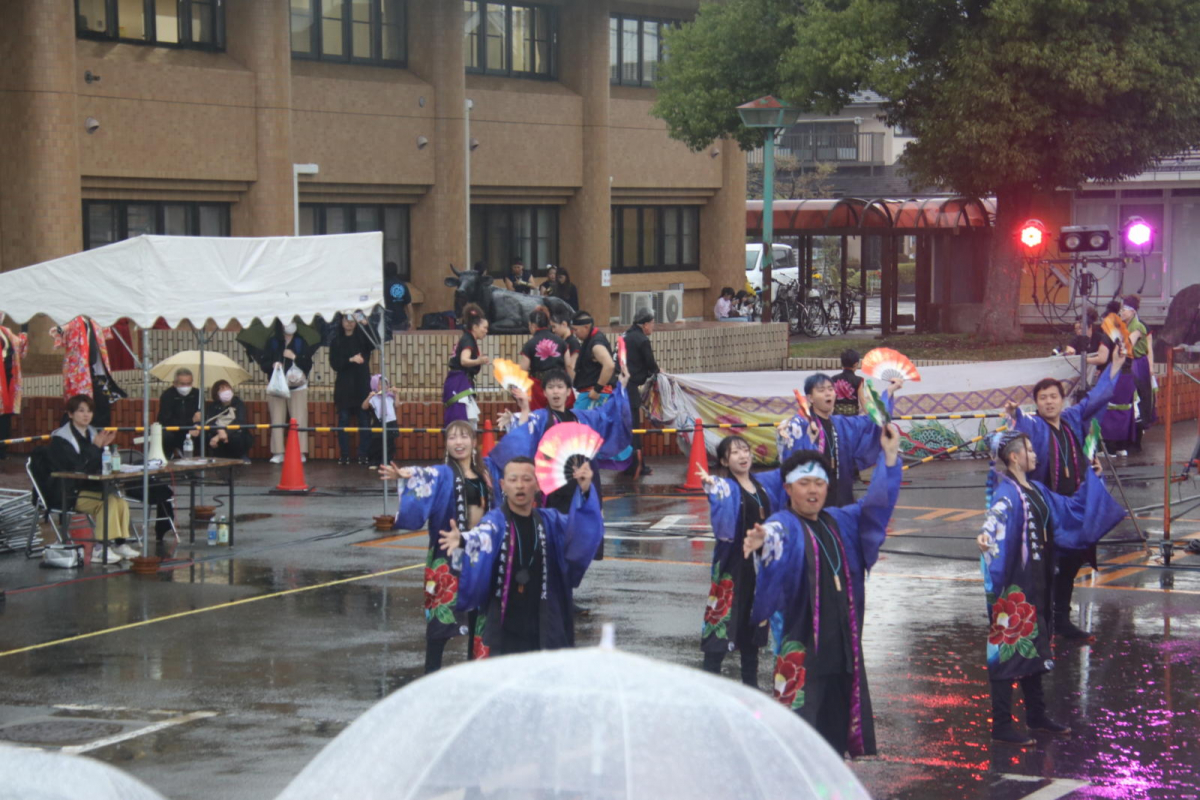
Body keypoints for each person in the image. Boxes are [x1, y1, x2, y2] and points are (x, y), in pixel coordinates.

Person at [744, 425, 903, 757]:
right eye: (804, 483)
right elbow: (775, 533)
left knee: (835, 727)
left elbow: (876, 505)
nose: (813, 490)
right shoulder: (785, 522)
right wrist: (763, 541)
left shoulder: (839, 520)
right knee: (800, 730)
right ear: (788, 488)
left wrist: (888, 457)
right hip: (804, 646)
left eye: (819, 483)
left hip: (841, 643)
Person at [975, 430, 1125, 745]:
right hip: (1013, 586)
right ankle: (1001, 725)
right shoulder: (1008, 493)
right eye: (1029, 449)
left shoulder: (1037, 489)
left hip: (1036, 582)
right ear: (1014, 457)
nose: (1035, 453)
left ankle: (1036, 715)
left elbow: (1069, 509)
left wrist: (1091, 483)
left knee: (1033, 647)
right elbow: (995, 516)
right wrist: (986, 535)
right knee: (1006, 651)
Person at [1006, 344, 1125, 641]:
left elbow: (1098, 398)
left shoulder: (1072, 418)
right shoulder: (1033, 425)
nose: (1049, 402)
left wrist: (1115, 367)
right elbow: (1019, 427)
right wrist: (1014, 417)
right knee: (1046, 567)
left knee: (1070, 564)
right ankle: (1040, 623)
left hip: (1074, 505)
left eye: (1053, 396)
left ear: (1062, 399)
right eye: (1043, 398)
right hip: (1046, 509)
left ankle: (1062, 620)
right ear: (1036, 403)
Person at [438, 456, 604, 655]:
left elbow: (579, 531)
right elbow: (482, 535)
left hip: (542, 615)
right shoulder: (495, 521)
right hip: (506, 617)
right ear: (502, 485)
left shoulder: (550, 521)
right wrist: (463, 540)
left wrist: (585, 492)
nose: (520, 486)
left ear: (537, 484)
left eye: (526, 479)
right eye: (513, 479)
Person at [380, 420, 505, 672]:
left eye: (464, 437)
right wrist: (407, 475)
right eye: (452, 438)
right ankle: (431, 672)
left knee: (480, 617)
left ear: (474, 442)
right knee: (441, 617)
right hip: (449, 552)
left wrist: (521, 414)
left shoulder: (488, 472)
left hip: (480, 551)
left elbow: (513, 460)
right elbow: (426, 475)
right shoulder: (444, 473)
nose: (458, 442)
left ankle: (476, 672)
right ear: (446, 444)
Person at [698, 436, 787, 687]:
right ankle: (710, 681)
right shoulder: (727, 486)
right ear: (725, 460)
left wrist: (785, 439)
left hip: (759, 568)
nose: (742, 455)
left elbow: (787, 471)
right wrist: (712, 485)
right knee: (722, 621)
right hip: (733, 566)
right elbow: (719, 490)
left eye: (745, 450)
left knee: (754, 625)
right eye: (734, 452)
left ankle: (751, 685)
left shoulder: (763, 484)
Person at [777, 373, 901, 507]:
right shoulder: (799, 425)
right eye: (821, 390)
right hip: (811, 497)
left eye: (830, 389)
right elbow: (790, 462)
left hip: (841, 494)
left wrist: (888, 392)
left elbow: (873, 421)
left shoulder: (841, 424)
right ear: (810, 398)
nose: (828, 393)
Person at [47, 394, 139, 564]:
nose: (86, 415)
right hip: (68, 491)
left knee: (120, 502)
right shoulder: (61, 439)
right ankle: (100, 548)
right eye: (81, 411)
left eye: (89, 411)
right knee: (108, 503)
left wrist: (106, 448)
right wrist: (97, 446)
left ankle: (119, 543)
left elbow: (99, 461)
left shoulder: (92, 433)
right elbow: (77, 468)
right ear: (70, 414)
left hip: (90, 487)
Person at [53, 316, 125, 429]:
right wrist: (61, 329)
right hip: (79, 373)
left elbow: (105, 329)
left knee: (101, 403)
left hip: (94, 371)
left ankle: (98, 436)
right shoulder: (76, 320)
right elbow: (68, 327)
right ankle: (67, 436)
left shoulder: (94, 322)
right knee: (78, 405)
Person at [261, 320, 314, 464]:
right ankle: (278, 452)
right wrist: (272, 365)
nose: (290, 324)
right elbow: (263, 363)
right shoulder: (273, 342)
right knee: (277, 419)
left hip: (297, 387)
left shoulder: (301, 342)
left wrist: (294, 357)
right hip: (277, 386)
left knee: (299, 419)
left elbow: (308, 364)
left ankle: (300, 451)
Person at [330, 313, 375, 466]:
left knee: (364, 420)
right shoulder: (336, 341)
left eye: (352, 320)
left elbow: (373, 344)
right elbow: (334, 364)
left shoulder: (362, 338)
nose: (349, 323)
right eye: (346, 320)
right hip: (344, 387)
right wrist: (351, 360)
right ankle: (344, 455)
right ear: (341, 322)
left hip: (362, 385)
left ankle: (363, 454)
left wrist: (366, 325)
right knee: (343, 420)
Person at [623, 308, 659, 476]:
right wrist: (659, 372)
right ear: (645, 325)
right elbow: (651, 364)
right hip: (630, 389)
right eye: (652, 323)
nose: (653, 327)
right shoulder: (641, 340)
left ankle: (626, 464)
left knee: (625, 428)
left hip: (619, 387)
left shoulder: (625, 336)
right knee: (634, 429)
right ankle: (637, 465)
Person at [443, 303, 490, 427]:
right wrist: (479, 360)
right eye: (484, 328)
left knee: (467, 420)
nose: (486, 331)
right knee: (463, 420)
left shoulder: (468, 339)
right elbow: (464, 360)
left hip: (460, 382)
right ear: (475, 327)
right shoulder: (468, 340)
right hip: (459, 384)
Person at [1120, 295, 1155, 452]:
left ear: (1133, 311)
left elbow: (1129, 344)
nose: (1122, 312)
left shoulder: (1137, 326)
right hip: (1129, 363)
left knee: (1137, 399)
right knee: (1129, 399)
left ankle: (1136, 441)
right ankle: (1129, 437)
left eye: (1124, 309)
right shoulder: (1125, 325)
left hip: (1137, 364)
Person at [519, 306, 568, 411]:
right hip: (559, 382)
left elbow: (523, 370)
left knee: (540, 415)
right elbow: (569, 365)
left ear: (532, 326)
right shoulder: (561, 342)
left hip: (539, 387)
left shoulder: (530, 344)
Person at [570, 312, 616, 412]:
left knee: (579, 424)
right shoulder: (590, 340)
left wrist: (597, 390)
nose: (574, 333)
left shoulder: (596, 344)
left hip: (594, 395)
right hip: (590, 394)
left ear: (586, 327)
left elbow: (609, 365)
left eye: (575, 329)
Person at [202, 380, 253, 462]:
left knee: (237, 436)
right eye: (222, 388)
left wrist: (221, 434)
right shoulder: (213, 406)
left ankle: (241, 456)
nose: (226, 390)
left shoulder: (238, 404)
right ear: (216, 393)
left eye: (228, 388)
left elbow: (240, 421)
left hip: (234, 433)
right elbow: (210, 422)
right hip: (217, 432)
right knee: (207, 435)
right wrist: (219, 430)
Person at [156, 368, 202, 456]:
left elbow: (202, 416)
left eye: (189, 383)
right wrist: (190, 422)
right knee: (165, 436)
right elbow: (165, 421)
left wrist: (197, 426)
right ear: (175, 383)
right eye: (182, 384)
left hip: (192, 431)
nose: (186, 387)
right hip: (174, 431)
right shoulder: (167, 396)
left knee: (205, 435)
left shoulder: (198, 394)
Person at [0, 321, 28, 460]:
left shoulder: (6, 331)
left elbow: (19, 347)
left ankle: (2, 451)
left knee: (5, 417)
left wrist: (24, 330)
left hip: (7, 379)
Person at [362, 374, 399, 466]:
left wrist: (396, 394)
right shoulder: (374, 398)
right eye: (380, 384)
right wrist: (369, 397)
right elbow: (364, 406)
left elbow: (397, 405)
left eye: (385, 384)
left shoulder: (390, 396)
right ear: (374, 386)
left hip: (391, 422)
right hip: (380, 422)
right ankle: (375, 461)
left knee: (390, 444)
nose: (383, 386)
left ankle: (387, 462)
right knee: (377, 443)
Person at [550, 309, 580, 388]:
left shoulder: (573, 342)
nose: (553, 330)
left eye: (554, 327)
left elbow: (571, 366)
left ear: (564, 324)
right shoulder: (562, 342)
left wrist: (574, 386)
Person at [831, 350, 863, 416]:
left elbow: (832, 398)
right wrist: (871, 416)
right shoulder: (859, 380)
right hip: (852, 417)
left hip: (837, 416)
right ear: (856, 364)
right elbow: (862, 399)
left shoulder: (833, 379)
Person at [384, 263, 412, 331]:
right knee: (402, 341)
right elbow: (409, 305)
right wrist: (411, 320)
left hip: (386, 320)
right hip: (401, 319)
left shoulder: (382, 286)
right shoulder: (402, 284)